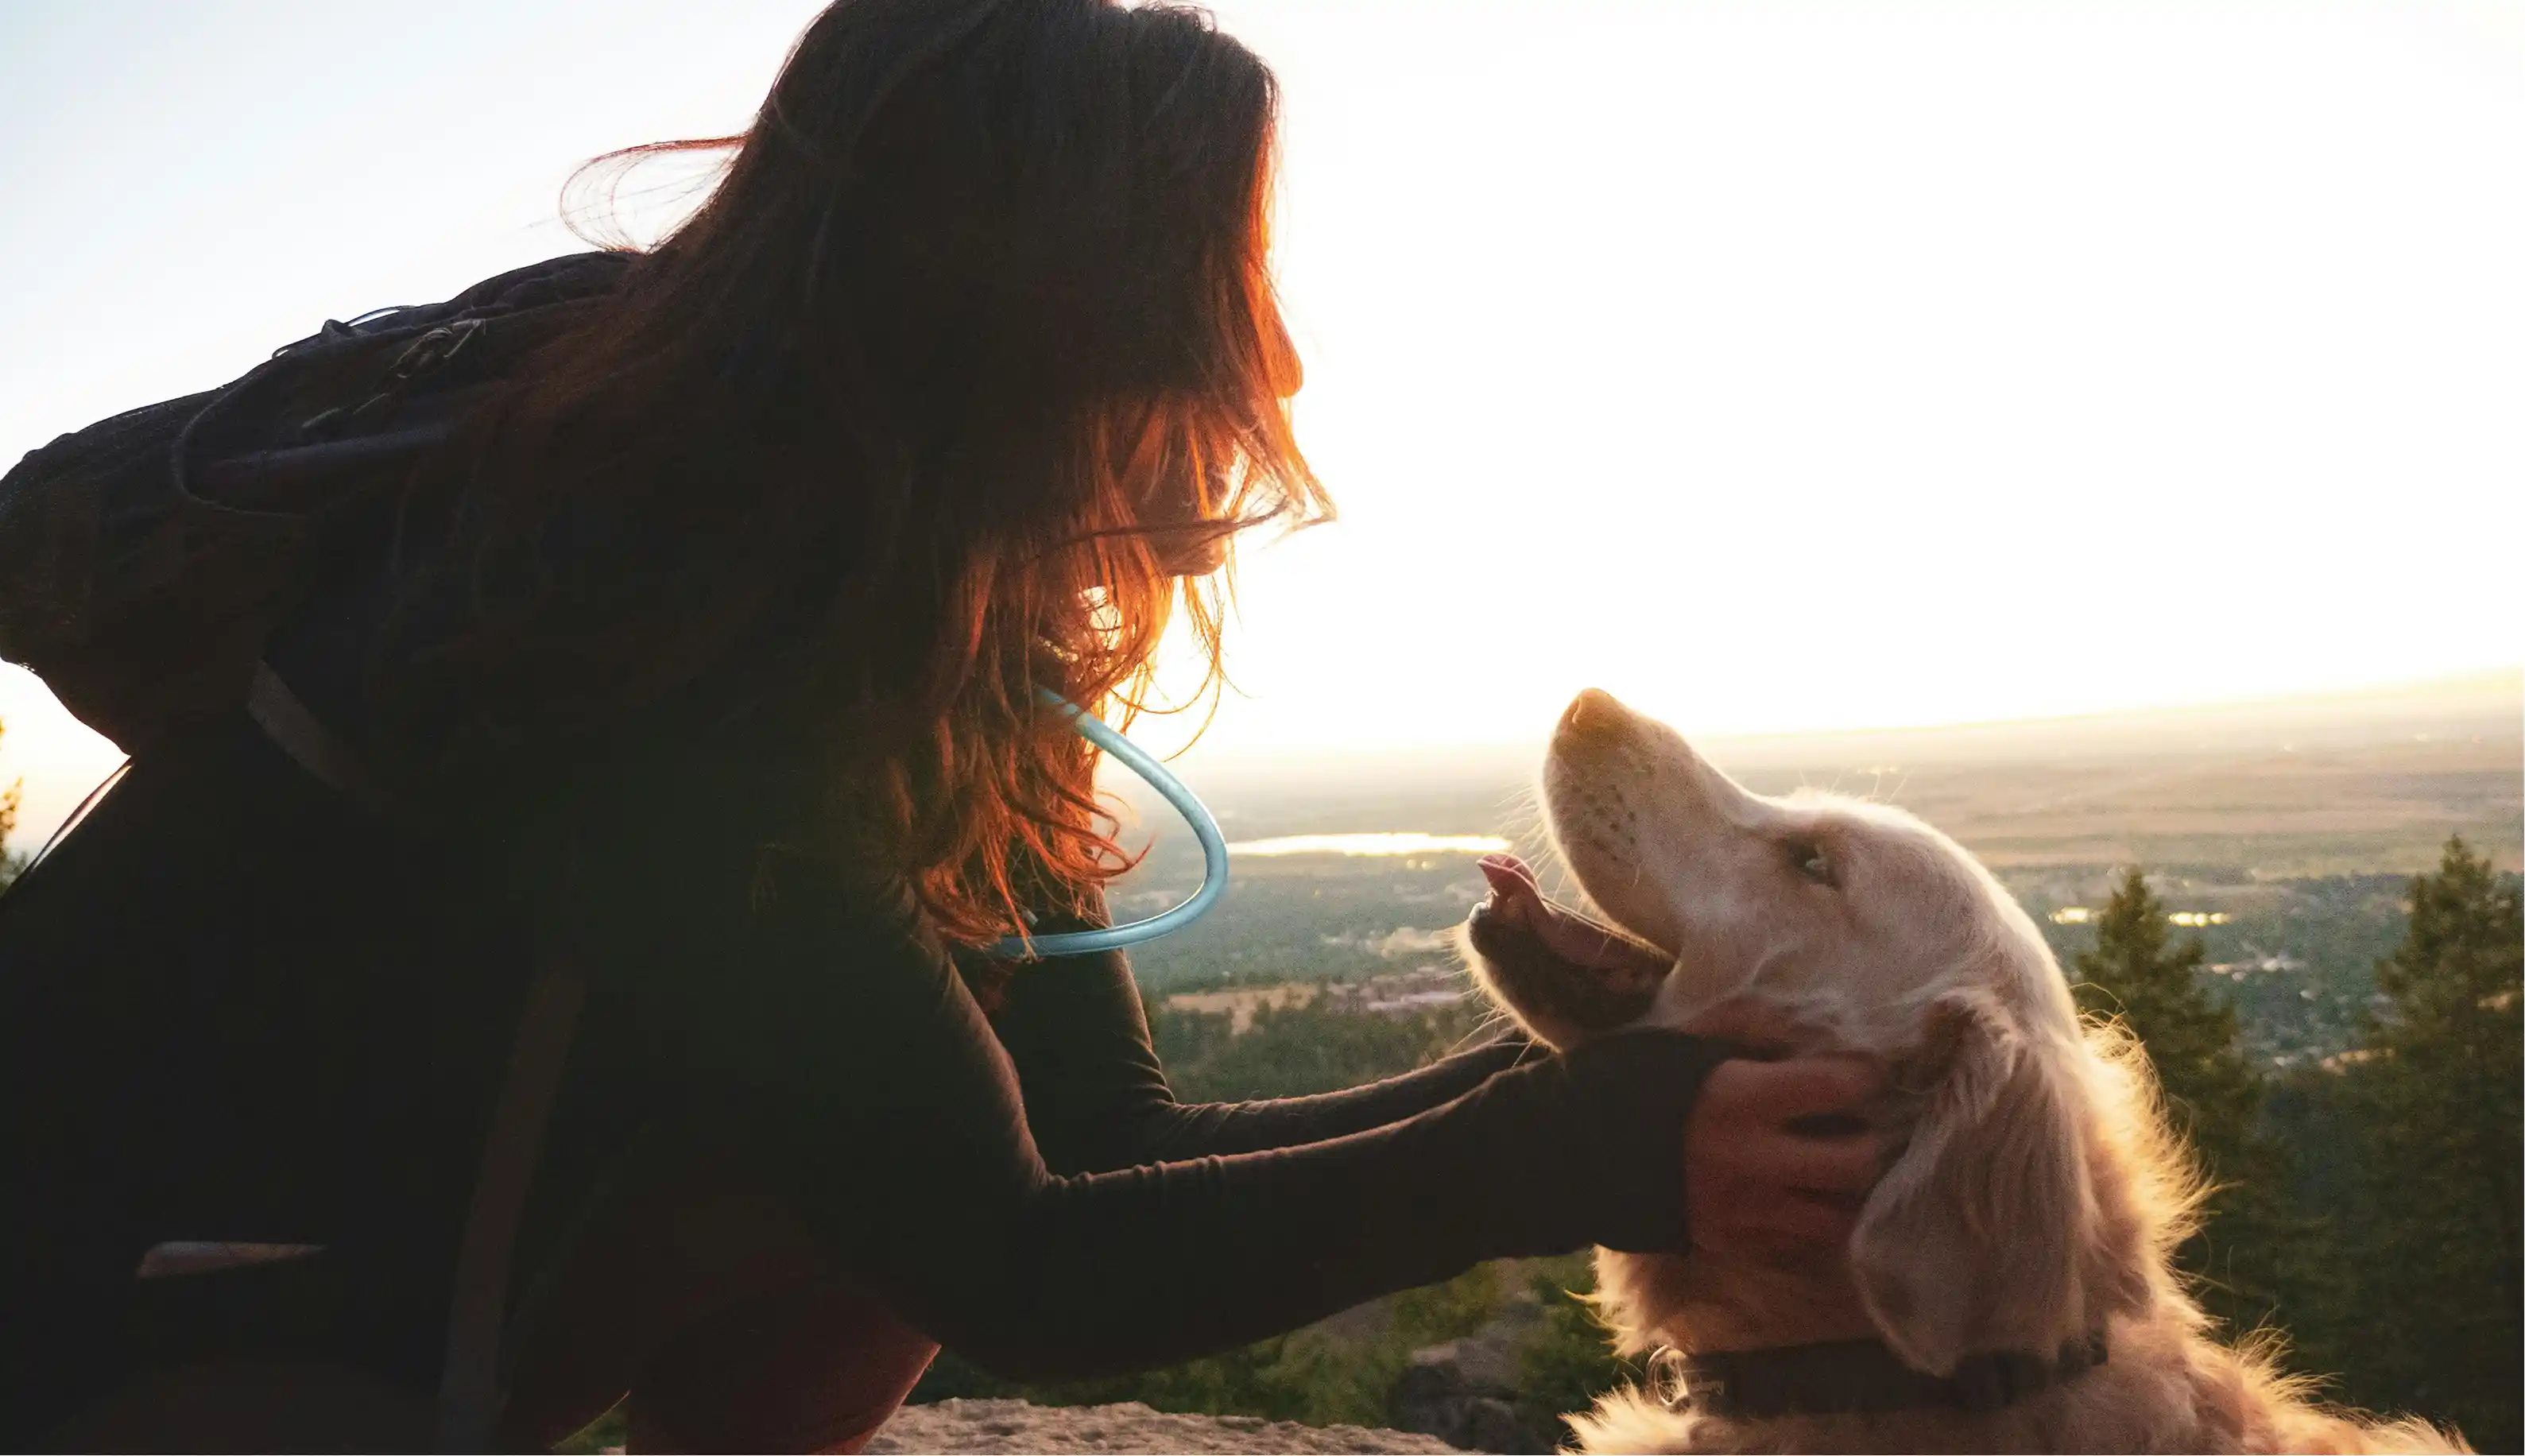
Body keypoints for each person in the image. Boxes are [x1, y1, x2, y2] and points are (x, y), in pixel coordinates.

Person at [0, 1, 1885, 1448]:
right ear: (1037, 310)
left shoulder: (925, 606)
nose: (1269, 359)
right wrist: (1579, 1147)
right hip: (125, 1320)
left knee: (885, 1142)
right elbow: (1023, 1267)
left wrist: (1601, 1077)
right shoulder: (641, 616)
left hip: (413, 1264)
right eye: (1211, 284)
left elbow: (1102, 1135)